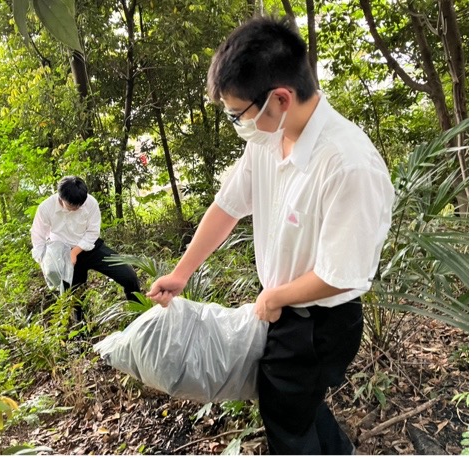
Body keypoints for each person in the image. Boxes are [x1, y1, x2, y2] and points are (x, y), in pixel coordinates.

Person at [147, 16, 394, 455]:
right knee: (294, 405)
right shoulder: (265, 140)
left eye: (238, 113)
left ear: (279, 98)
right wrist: (182, 273)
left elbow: (343, 275)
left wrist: (275, 298)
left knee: (286, 421)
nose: (237, 123)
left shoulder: (348, 164)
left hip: (320, 324)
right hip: (285, 313)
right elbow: (227, 207)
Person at [31, 176, 141, 319]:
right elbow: (38, 238)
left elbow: (92, 232)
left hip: (90, 248)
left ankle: (139, 314)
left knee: (129, 276)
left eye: (79, 206)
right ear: (61, 198)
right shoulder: (46, 208)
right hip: (64, 253)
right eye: (72, 206)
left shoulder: (90, 203)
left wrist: (75, 252)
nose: (77, 209)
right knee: (75, 300)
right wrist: (45, 265)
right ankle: (82, 334)